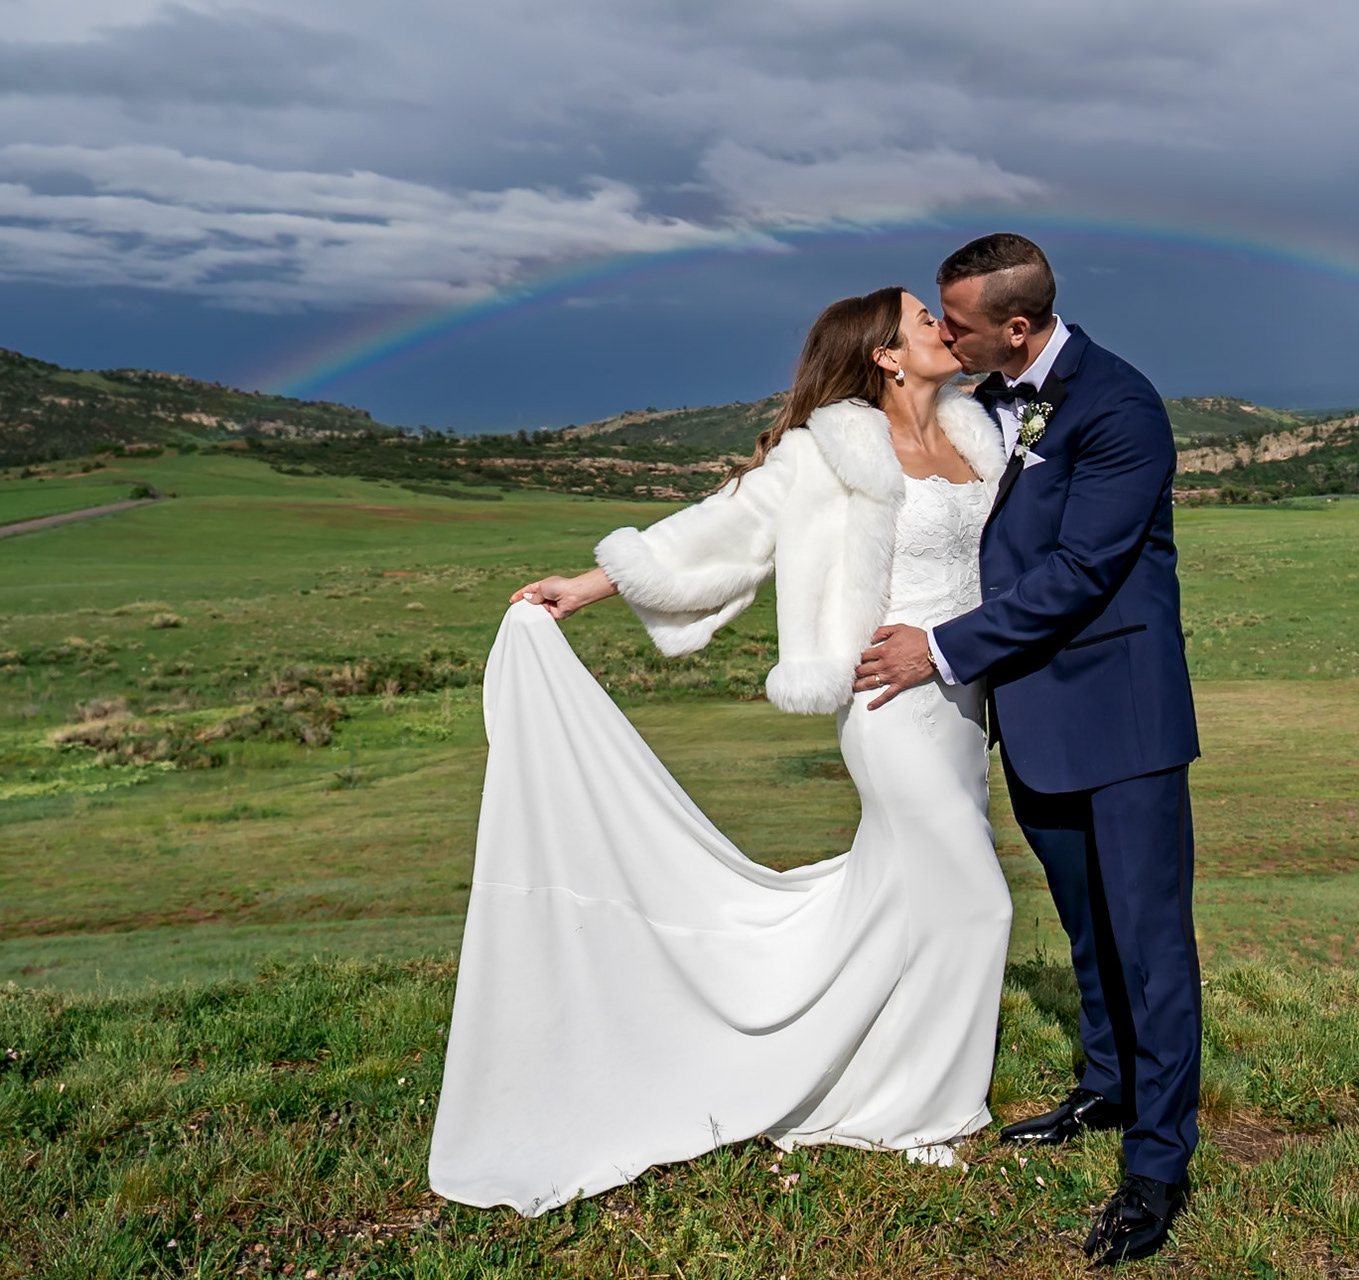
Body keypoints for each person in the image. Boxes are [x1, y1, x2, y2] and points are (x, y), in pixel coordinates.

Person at [428, 286, 1015, 1215]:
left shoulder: (981, 434)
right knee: (978, 900)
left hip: (963, 698)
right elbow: (723, 527)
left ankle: (860, 1065)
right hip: (885, 701)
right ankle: (914, 1113)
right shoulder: (827, 453)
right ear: (885, 355)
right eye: (922, 321)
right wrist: (588, 586)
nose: (945, 328)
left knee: (912, 899)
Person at [857, 233, 1202, 1266]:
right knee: (1087, 924)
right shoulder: (991, 402)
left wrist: (941, 649)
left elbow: (1083, 570)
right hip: (1040, 719)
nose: (941, 332)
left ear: (1016, 325)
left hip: (1123, 718)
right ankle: (1106, 1084)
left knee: (1149, 940)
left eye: (954, 321)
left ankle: (1157, 1161)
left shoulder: (1120, 407)